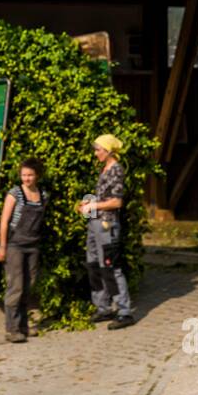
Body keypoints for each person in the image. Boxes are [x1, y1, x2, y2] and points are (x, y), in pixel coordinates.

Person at [77, 134, 134, 330]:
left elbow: (116, 202)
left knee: (110, 267)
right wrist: (87, 203)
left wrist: (94, 205)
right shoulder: (104, 169)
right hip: (94, 224)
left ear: (108, 150)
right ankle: (103, 307)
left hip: (107, 225)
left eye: (98, 149)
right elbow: (101, 196)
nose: (95, 153)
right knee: (94, 265)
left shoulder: (116, 170)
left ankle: (124, 311)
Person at [0, 159, 47, 343]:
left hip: (33, 245)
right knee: (15, 287)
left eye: (30, 175)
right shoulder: (15, 194)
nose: (26, 178)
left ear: (37, 176)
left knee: (28, 286)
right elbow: (4, 221)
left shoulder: (42, 194)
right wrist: (2, 246)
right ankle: (12, 329)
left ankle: (24, 326)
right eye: (24, 175)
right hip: (15, 245)